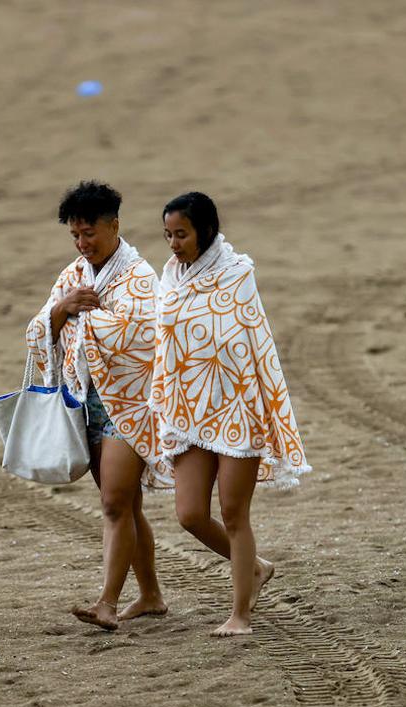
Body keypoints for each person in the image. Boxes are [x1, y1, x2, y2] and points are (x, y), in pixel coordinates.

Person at [151, 192, 310, 636]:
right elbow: (168, 342)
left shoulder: (237, 274)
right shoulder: (171, 275)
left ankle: (240, 614)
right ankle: (256, 568)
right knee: (189, 514)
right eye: (167, 235)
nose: (173, 243)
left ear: (205, 229)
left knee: (235, 513)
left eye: (181, 234)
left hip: (238, 408)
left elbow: (243, 342)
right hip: (189, 410)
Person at [26, 181, 174, 631]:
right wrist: (62, 309)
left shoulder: (139, 276)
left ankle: (106, 603)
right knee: (128, 507)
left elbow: (142, 332)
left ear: (115, 226)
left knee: (113, 504)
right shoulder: (73, 275)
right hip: (83, 403)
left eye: (89, 233)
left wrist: (78, 315)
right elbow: (38, 328)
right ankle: (150, 596)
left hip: (129, 405)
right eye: (75, 235)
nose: (82, 243)